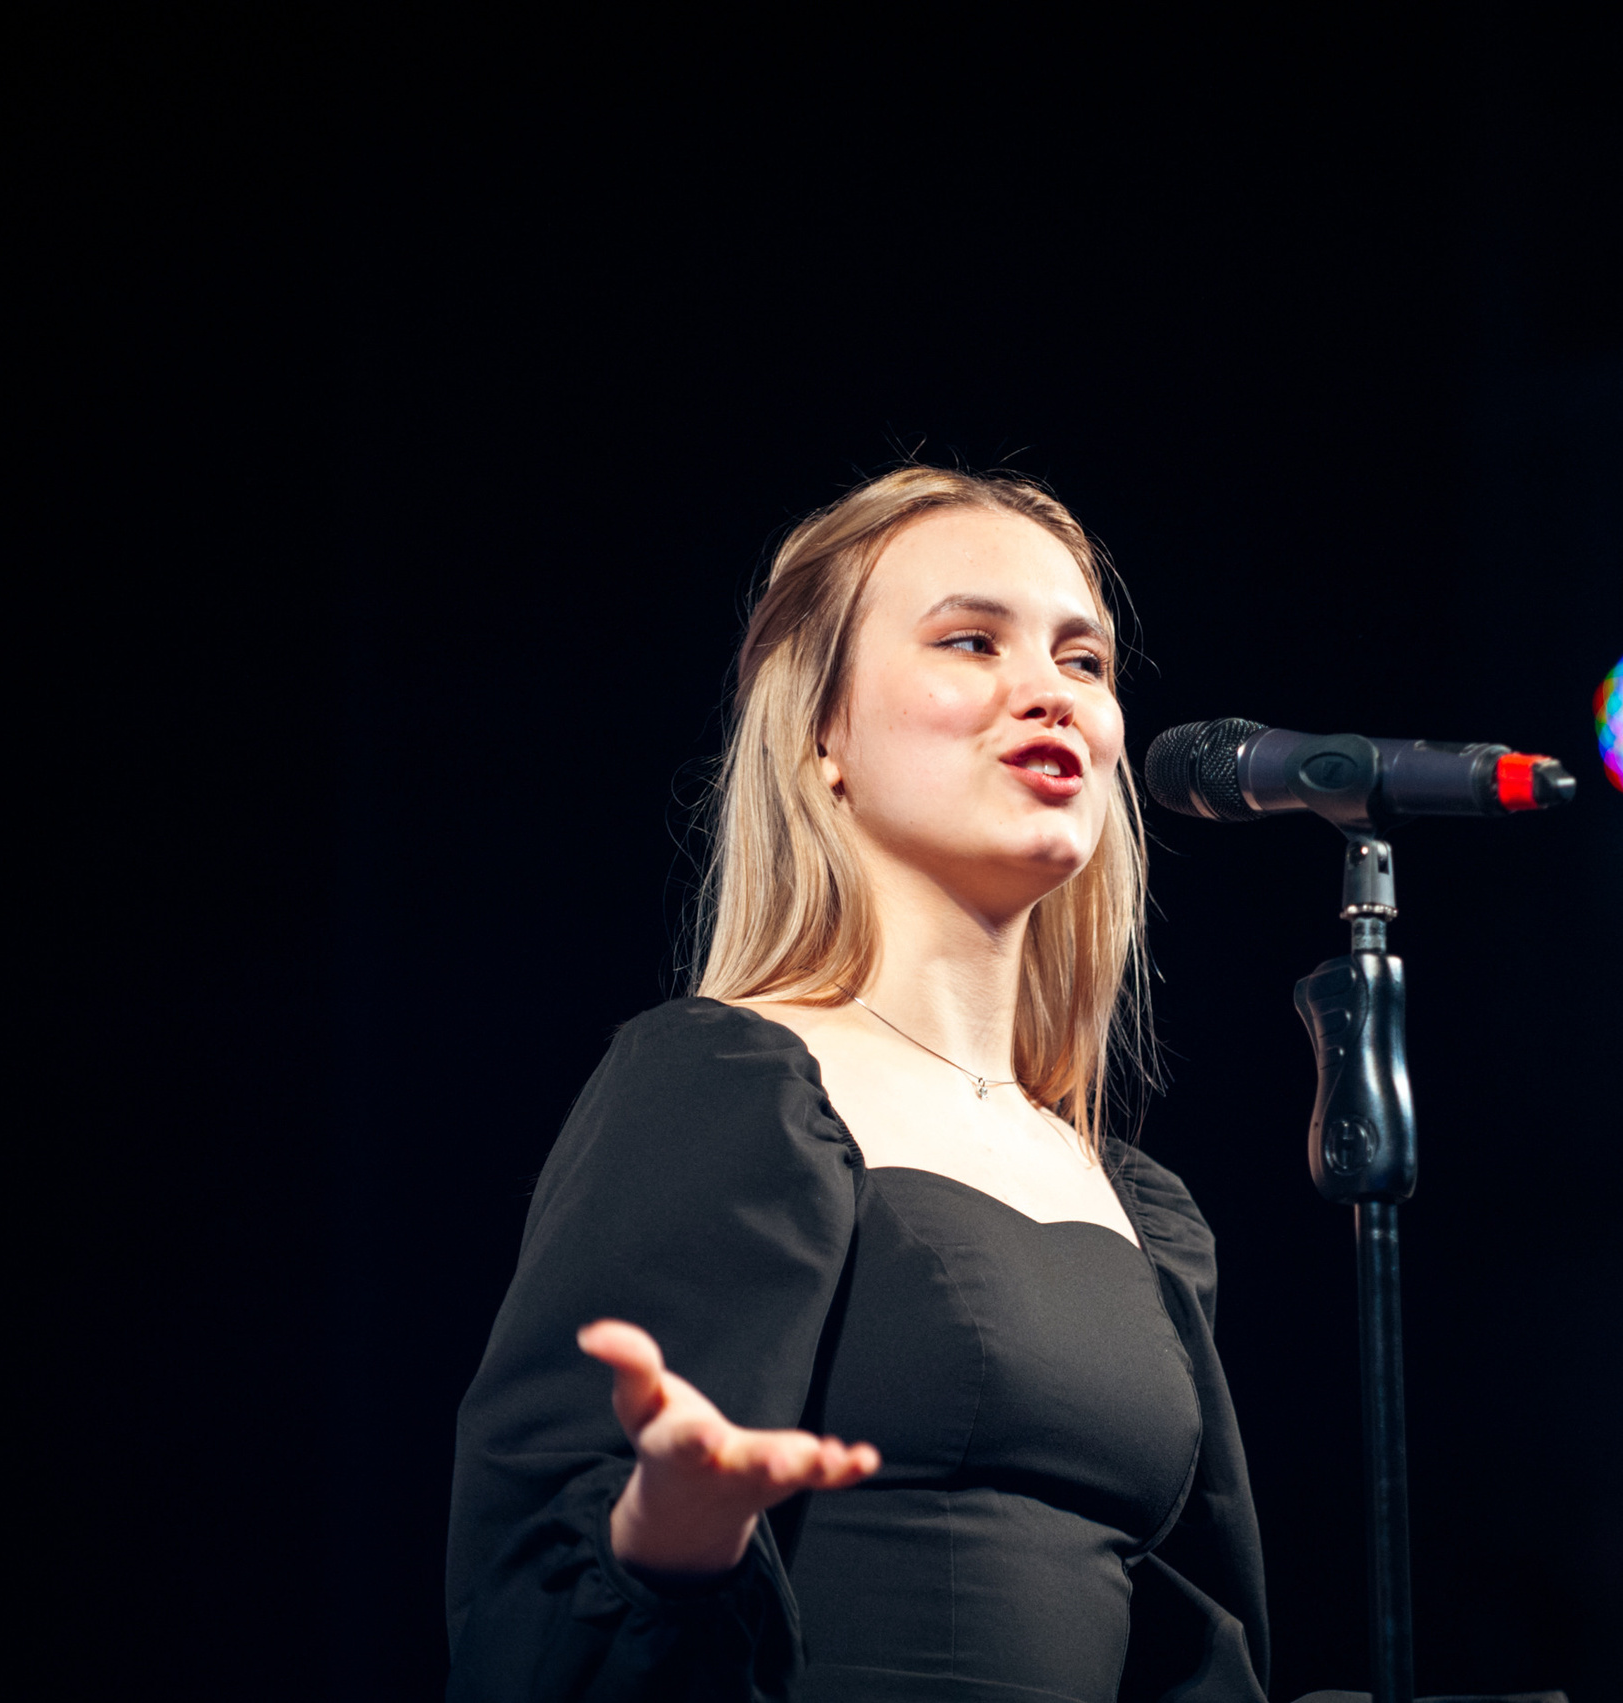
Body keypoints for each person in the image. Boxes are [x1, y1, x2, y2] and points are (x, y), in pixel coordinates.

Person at [445, 467, 1271, 1702]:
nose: (1048, 690)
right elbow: (525, 1613)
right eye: (970, 640)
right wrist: (669, 1527)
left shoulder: (1134, 1204)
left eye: (1083, 660)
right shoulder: (729, 1082)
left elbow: (1191, 1652)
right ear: (822, 734)